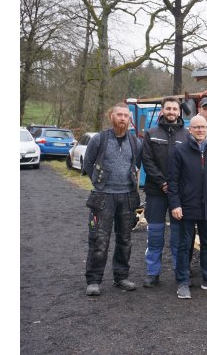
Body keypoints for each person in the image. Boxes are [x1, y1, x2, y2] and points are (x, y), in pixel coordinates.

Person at [82, 103, 143, 296]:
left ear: (129, 119)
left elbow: (139, 165)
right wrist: (99, 183)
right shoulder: (99, 140)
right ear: (112, 116)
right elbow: (88, 163)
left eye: (126, 115)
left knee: (125, 240)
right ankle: (93, 281)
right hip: (103, 197)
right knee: (99, 240)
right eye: (119, 114)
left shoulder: (135, 142)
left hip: (127, 197)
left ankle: (121, 277)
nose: (123, 118)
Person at [167, 115, 207, 298]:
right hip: (186, 207)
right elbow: (173, 181)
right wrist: (175, 205)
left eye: (203, 127)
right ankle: (183, 282)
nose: (200, 130)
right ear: (190, 130)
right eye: (196, 127)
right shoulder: (179, 151)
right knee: (185, 245)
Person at [141, 96, 188, 288]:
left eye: (174, 109)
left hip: (178, 194)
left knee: (178, 236)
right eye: (168, 109)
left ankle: (179, 273)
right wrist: (162, 183)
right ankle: (153, 273)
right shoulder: (151, 133)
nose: (171, 112)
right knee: (155, 234)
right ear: (162, 111)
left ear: (179, 112)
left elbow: (189, 165)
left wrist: (175, 186)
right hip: (155, 192)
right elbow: (147, 161)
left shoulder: (187, 135)